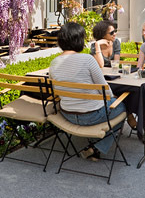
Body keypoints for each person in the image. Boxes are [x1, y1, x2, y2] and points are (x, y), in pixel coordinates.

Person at [49, 22, 127, 161]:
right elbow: (105, 90)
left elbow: (57, 91)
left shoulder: (54, 63)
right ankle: (96, 147)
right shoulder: (87, 59)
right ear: (79, 40)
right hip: (92, 116)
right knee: (123, 105)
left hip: (67, 115)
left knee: (106, 104)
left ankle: (94, 146)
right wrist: (113, 97)